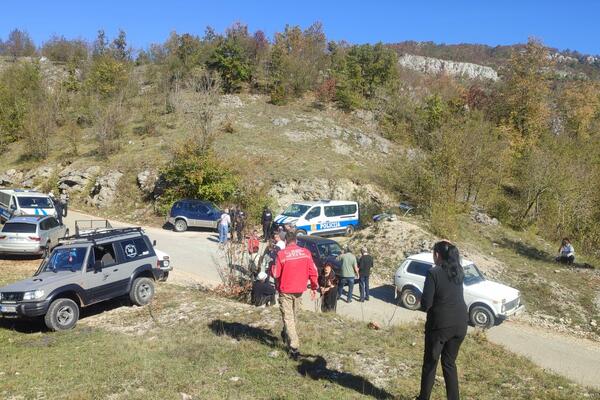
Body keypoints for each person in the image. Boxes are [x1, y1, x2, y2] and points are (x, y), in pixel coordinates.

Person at [417, 241, 468, 400]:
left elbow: (426, 304)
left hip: (440, 326)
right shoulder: (458, 271)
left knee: (430, 364)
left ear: (437, 255)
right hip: (461, 323)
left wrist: (421, 298)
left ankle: (423, 398)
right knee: (449, 363)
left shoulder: (434, 273)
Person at [272, 231, 319, 359]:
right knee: (294, 315)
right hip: (299, 290)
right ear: (296, 241)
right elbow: (313, 271)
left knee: (288, 317)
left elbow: (276, 273)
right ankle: (287, 334)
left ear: (286, 241)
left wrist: (272, 268)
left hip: (285, 290)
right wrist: (314, 287)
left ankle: (294, 346)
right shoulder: (306, 252)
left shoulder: (281, 254)